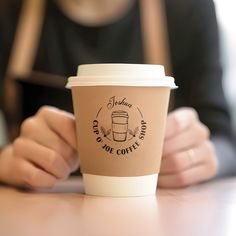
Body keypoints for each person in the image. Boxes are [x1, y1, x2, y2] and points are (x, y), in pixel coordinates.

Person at [0, 0, 235, 189]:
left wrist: (201, 156)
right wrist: (5, 162)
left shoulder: (188, 8)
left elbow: (225, 140)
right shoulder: (8, 10)